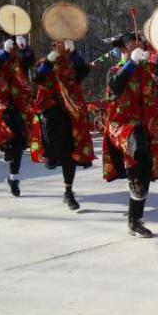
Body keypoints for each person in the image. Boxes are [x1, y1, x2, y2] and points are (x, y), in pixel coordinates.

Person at [102, 33, 158, 238]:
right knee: (137, 147)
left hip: (146, 128)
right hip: (122, 126)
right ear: (123, 48)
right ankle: (134, 178)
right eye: (132, 43)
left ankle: (135, 220)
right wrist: (130, 64)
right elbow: (114, 87)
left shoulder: (148, 71)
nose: (138, 45)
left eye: (141, 43)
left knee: (143, 172)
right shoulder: (114, 71)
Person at [30, 39, 95, 210]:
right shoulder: (46, 62)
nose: (62, 48)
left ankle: (68, 191)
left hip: (71, 113)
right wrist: (52, 58)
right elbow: (37, 77)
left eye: (64, 45)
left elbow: (84, 70)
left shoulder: (73, 64)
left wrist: (74, 53)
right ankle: (51, 156)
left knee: (69, 154)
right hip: (51, 112)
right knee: (53, 148)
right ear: (53, 47)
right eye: (58, 45)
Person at [0, 35, 35, 197]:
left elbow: (29, 61)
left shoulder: (19, 62)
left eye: (15, 48)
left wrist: (26, 49)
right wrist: (4, 53)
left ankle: (13, 178)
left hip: (19, 105)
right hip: (1, 103)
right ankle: (4, 148)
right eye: (11, 47)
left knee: (19, 147)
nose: (13, 50)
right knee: (8, 130)